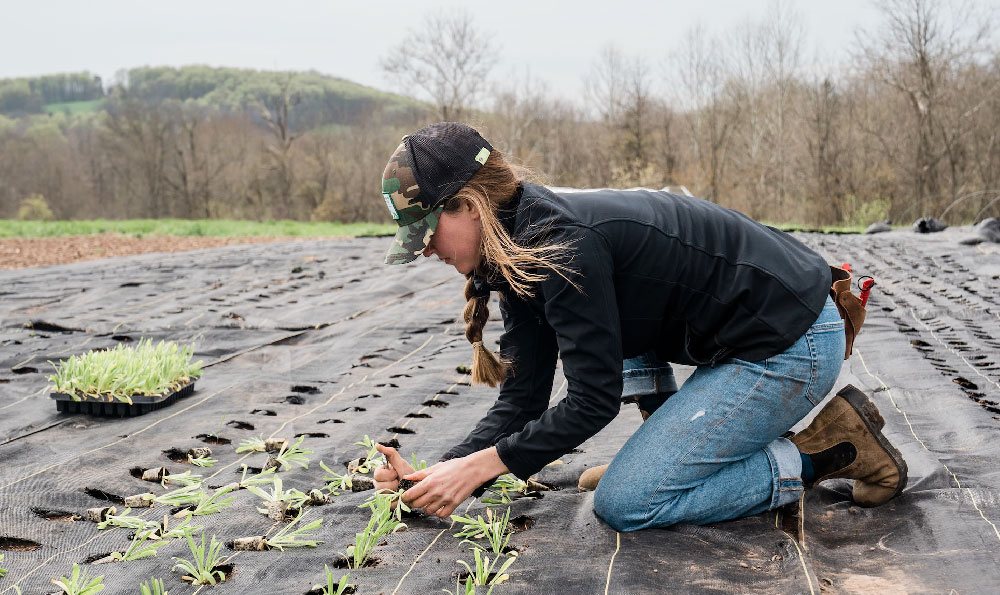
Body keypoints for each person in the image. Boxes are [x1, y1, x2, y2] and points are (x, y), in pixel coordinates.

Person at [372, 122, 907, 531]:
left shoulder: (562, 244)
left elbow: (592, 400)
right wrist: (437, 474)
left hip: (790, 342)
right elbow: (523, 399)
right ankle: (664, 456)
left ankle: (832, 449)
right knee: (614, 358)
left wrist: (480, 467)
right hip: (744, 331)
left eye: (427, 233)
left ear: (467, 205)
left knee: (628, 502)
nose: (425, 252)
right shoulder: (513, 247)